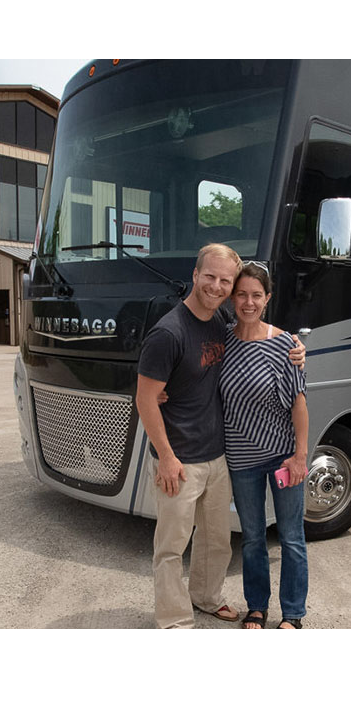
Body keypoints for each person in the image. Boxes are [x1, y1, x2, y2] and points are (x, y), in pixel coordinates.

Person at [136, 244, 304, 629]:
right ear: (195, 276)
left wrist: (296, 350)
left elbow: (259, 342)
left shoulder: (219, 326)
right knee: (171, 547)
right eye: (209, 277)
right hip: (178, 460)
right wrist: (165, 455)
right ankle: (175, 619)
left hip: (218, 457)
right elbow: (145, 398)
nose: (216, 286)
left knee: (215, 542)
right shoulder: (169, 331)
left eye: (224, 281)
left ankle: (207, 598)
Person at [219, 262, 309, 629]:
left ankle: (293, 613)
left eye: (256, 295)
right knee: (253, 538)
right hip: (241, 459)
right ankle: (256, 606)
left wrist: (301, 455)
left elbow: (299, 403)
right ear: (232, 298)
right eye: (241, 294)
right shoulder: (221, 341)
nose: (248, 302)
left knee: (290, 537)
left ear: (267, 299)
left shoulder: (285, 345)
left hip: (283, 456)